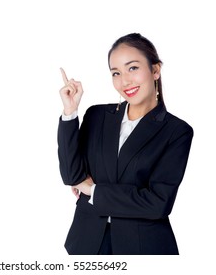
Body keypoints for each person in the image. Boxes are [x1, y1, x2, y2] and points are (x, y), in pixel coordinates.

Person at [57, 33, 193, 255]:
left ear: (155, 70)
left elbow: (157, 203)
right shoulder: (97, 115)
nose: (124, 81)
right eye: (116, 73)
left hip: (142, 248)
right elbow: (72, 175)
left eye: (133, 68)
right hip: (86, 243)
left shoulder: (176, 131)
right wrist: (70, 112)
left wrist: (94, 191)